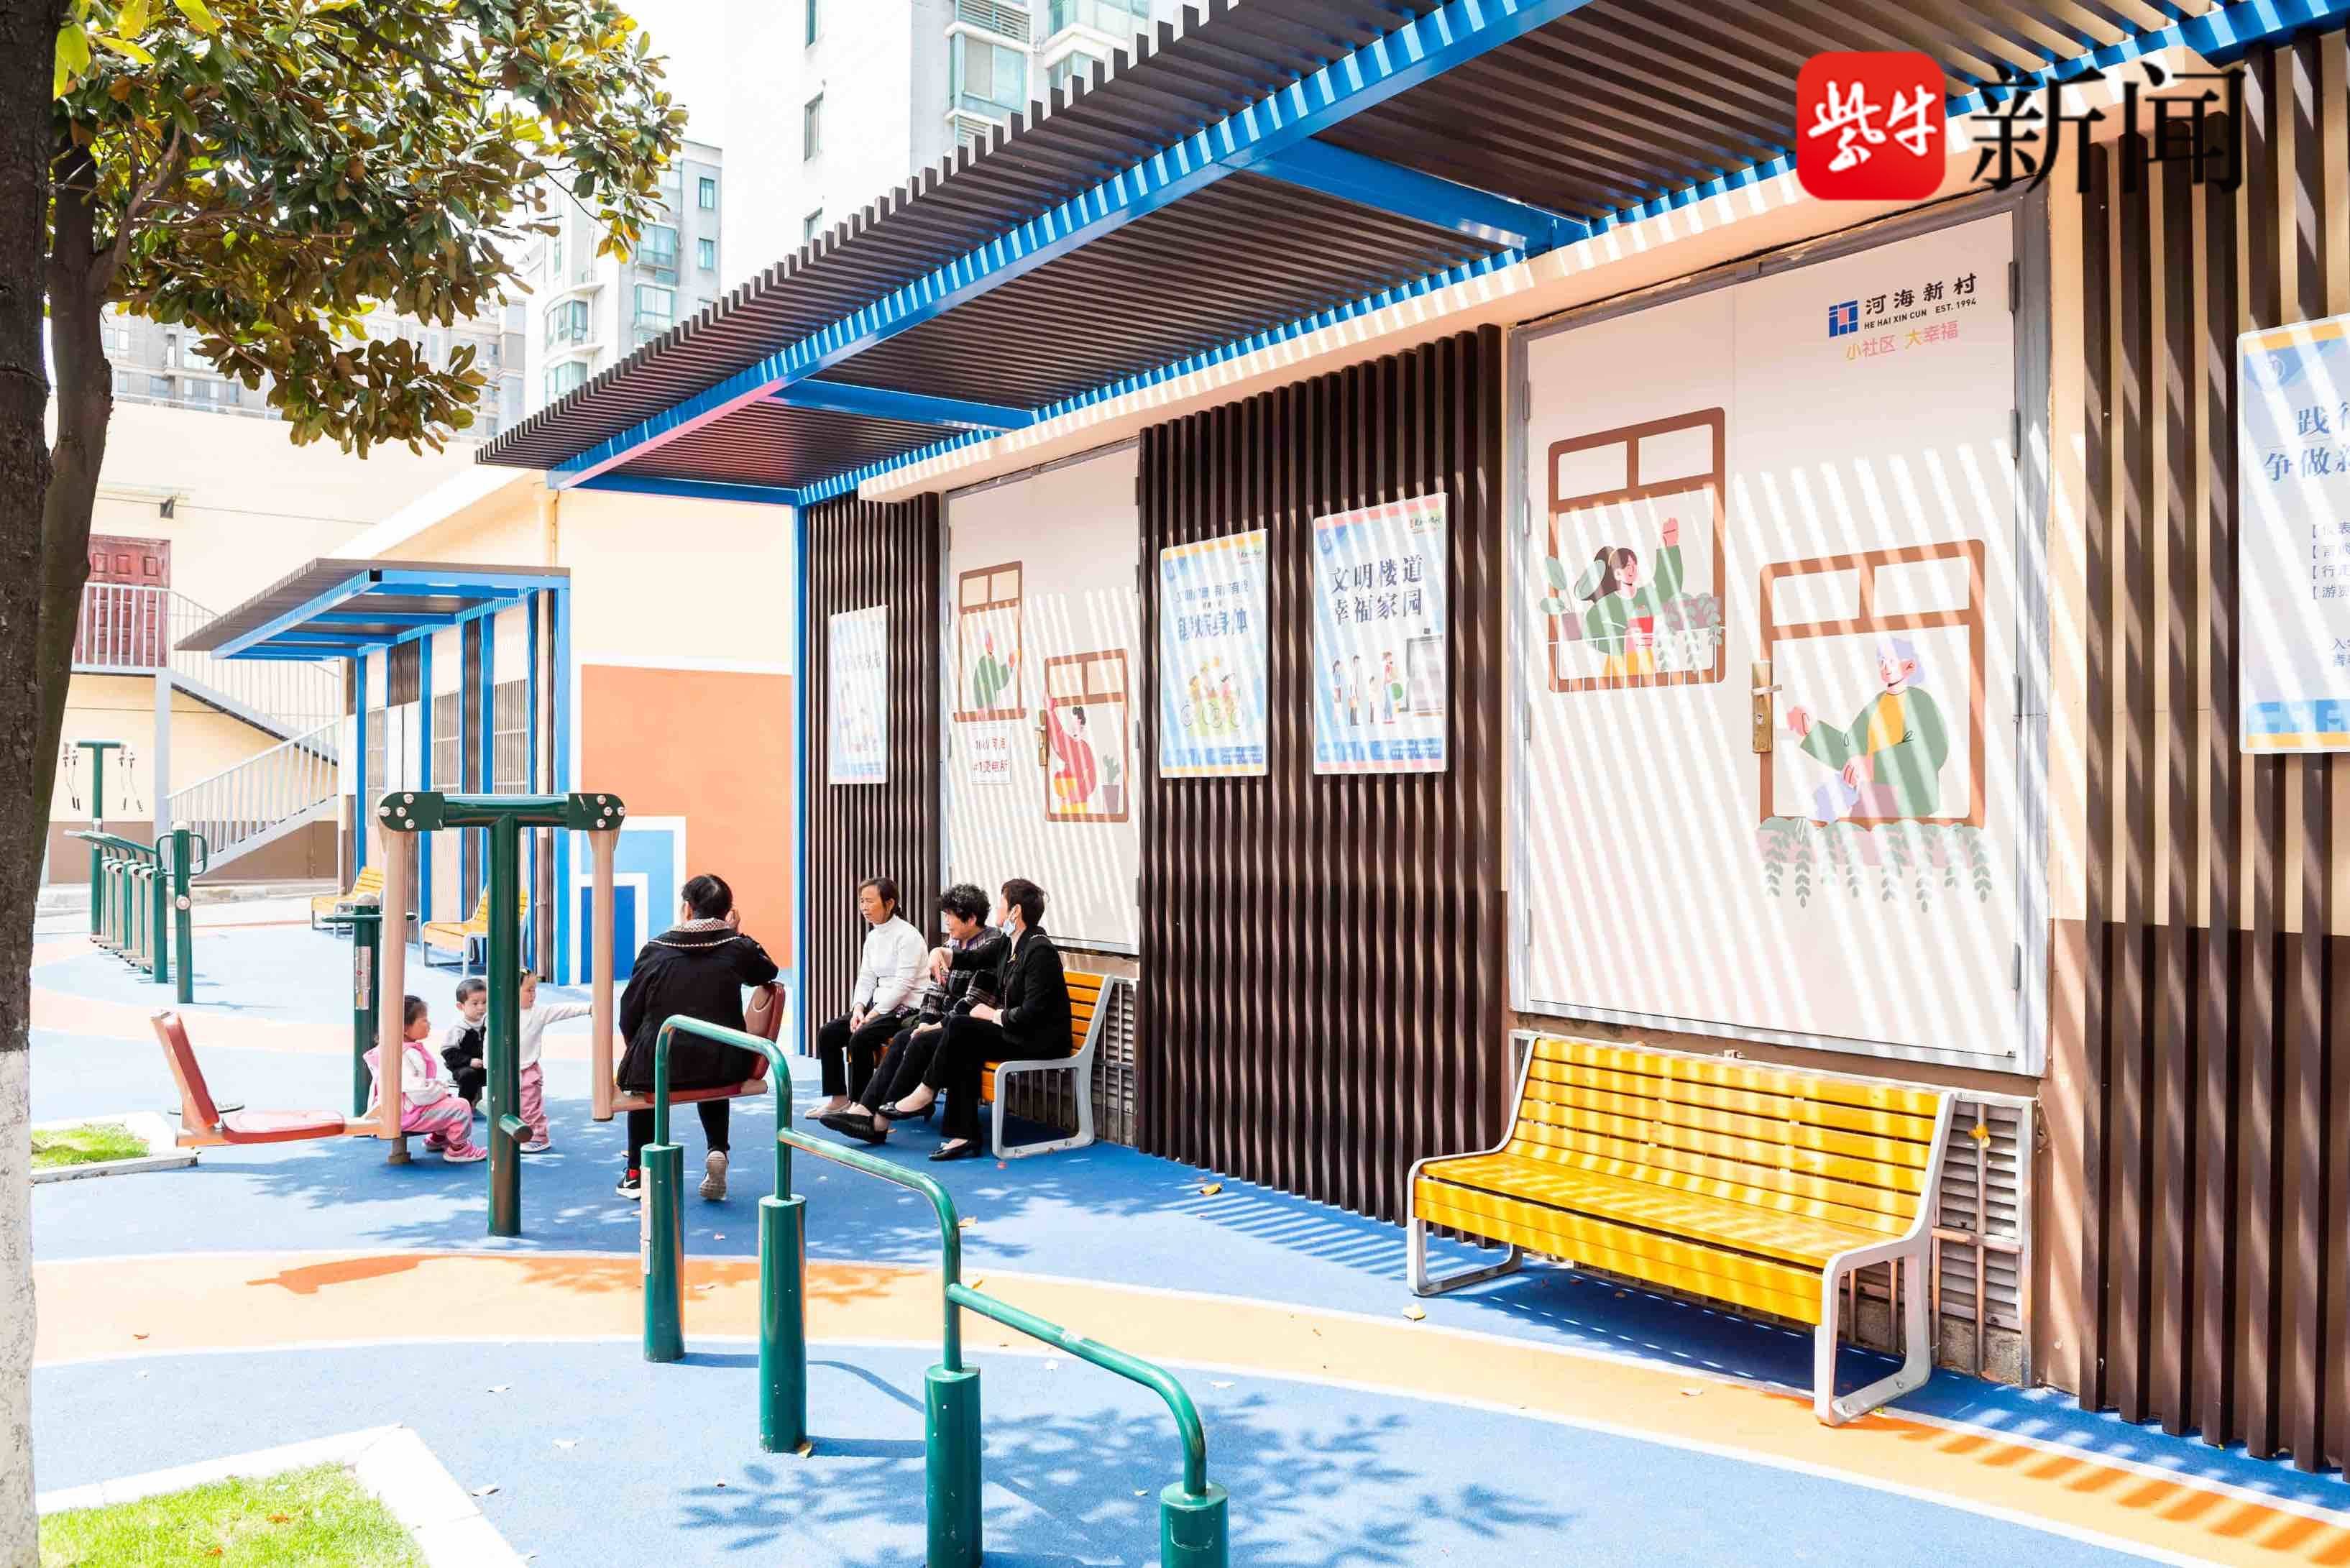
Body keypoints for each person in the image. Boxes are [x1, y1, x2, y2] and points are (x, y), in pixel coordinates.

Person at [615, 874, 779, 1201]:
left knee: (645, 1079)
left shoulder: (655, 950)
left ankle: (636, 1173)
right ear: (727, 913)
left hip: (661, 1064)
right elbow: (768, 972)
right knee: (713, 1050)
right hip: (724, 1064)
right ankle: (717, 1149)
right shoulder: (736, 949)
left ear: (688, 909)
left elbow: (629, 1013)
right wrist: (736, 934)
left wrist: (639, 1048)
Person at [885, 878, 1070, 1162]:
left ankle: (926, 1092)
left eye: (1002, 903)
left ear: (1015, 911)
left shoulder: (1039, 951)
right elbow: (971, 958)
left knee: (961, 1027)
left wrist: (992, 1014)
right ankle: (963, 1135)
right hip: (1017, 1031)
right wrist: (939, 952)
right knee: (958, 1038)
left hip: (1040, 1040)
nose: (998, 908)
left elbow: (1033, 1013)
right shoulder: (1009, 944)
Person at [820, 882, 1006, 1146]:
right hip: (945, 1022)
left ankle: (878, 1120)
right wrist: (927, 1021)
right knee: (904, 1039)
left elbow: (973, 1001)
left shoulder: (991, 945)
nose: (946, 921)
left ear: (971, 919)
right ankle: (865, 1111)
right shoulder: (952, 943)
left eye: (950, 915)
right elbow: (934, 990)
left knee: (908, 1040)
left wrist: (935, 1025)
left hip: (965, 1026)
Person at [1785, 635, 1950, 821]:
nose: (1886, 667)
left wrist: (1870, 764)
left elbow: (1929, 752)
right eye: (1882, 662)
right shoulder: (1877, 704)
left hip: (1909, 802)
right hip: (1871, 797)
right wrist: (1812, 730)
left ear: (1910, 666)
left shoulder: (1921, 703)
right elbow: (1850, 747)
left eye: (1892, 661)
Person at [805, 876, 926, 1122]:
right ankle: (839, 1099)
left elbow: (903, 985)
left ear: (890, 903)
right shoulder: (873, 937)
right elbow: (866, 978)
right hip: (880, 1007)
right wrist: (859, 1008)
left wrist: (871, 1016)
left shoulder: (908, 936)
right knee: (829, 1033)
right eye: (862, 901)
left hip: (906, 1008)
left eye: (870, 901)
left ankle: (861, 1106)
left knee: (860, 1037)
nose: (864, 907)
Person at [367, 996, 485, 1163]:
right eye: (424, 1020)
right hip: (406, 1114)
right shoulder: (405, 1055)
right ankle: (459, 1149)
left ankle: (438, 1138)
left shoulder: (394, 1049)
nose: (429, 1024)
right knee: (461, 1106)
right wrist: (441, 1089)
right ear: (405, 1028)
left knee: (445, 1102)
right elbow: (418, 1092)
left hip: (402, 1109)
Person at [1577, 514, 1684, 678]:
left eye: (1634, 565)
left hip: (1645, 667)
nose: (1632, 569)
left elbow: (1668, 588)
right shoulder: (1607, 603)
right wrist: (1623, 639)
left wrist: (1669, 548)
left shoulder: (1645, 596)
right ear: (1617, 573)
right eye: (1627, 566)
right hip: (1617, 668)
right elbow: (1590, 631)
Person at [515, 970, 591, 1153]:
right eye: (529, 990)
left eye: (535, 990)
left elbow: (561, 1010)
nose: (533, 995)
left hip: (528, 1070)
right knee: (512, 1105)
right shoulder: (501, 1012)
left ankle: (539, 1137)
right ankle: (518, 1133)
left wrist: (588, 1008)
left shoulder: (538, 1012)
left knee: (530, 1107)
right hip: (506, 1070)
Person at [439, 976, 487, 1114]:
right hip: (463, 1067)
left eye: (484, 1002)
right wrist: (469, 1061)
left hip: (485, 1065)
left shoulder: (487, 1023)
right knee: (468, 1076)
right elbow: (448, 1052)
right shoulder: (458, 1028)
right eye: (475, 1004)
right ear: (461, 1006)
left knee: (504, 1073)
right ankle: (464, 1106)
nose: (481, 1007)